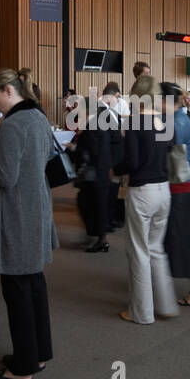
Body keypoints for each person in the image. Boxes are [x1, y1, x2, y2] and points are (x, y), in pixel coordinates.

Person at [0, 69, 58, 379]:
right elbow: (43, 157)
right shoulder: (37, 116)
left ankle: (22, 369)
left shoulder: (15, 123)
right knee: (33, 284)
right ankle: (37, 353)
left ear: (8, 90)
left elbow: (4, 177)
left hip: (18, 214)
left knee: (17, 290)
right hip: (36, 207)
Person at [114, 75, 177, 325]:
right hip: (164, 190)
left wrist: (115, 170)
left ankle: (141, 312)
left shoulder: (136, 123)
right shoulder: (166, 122)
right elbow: (169, 152)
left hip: (143, 192)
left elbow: (133, 162)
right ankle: (167, 304)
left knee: (138, 251)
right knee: (156, 249)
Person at [161, 82, 190, 308]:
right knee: (176, 237)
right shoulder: (175, 119)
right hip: (177, 185)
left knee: (181, 238)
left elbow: (161, 144)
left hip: (180, 187)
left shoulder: (177, 122)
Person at [74, 83, 122, 252]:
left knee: (93, 204)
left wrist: (74, 147)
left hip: (96, 172)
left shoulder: (92, 125)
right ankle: (98, 237)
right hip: (105, 168)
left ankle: (101, 240)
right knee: (97, 204)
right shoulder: (103, 119)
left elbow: (91, 149)